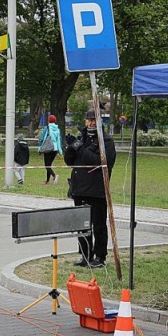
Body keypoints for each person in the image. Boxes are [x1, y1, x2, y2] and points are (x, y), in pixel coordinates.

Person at [63, 110, 116, 268]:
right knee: (81, 225)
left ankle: (100, 256)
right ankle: (85, 255)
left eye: (94, 120)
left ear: (100, 122)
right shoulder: (82, 138)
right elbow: (70, 161)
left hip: (97, 190)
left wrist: (79, 148)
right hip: (79, 189)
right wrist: (71, 146)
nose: (91, 123)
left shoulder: (106, 141)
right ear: (85, 121)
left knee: (98, 225)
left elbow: (98, 162)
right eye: (89, 120)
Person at [39, 115, 63, 184]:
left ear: (48, 121)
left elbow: (42, 139)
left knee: (47, 165)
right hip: (54, 149)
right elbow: (59, 140)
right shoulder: (58, 129)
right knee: (49, 165)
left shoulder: (47, 128)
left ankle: (54, 175)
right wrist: (60, 151)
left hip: (48, 148)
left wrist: (40, 148)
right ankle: (47, 181)